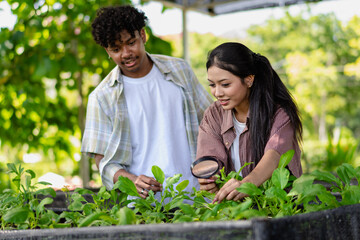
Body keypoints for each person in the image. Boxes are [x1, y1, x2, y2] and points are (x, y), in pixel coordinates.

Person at [81, 5, 213, 200]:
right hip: (144, 206)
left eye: (131, 43)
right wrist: (130, 180)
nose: (125, 53)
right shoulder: (102, 97)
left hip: (196, 197)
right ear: (107, 51)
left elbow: (211, 120)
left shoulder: (179, 70)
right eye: (116, 49)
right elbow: (102, 161)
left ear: (143, 35)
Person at [196, 42, 303, 203]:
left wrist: (245, 184)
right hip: (234, 211)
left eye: (225, 84)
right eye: (212, 84)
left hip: (277, 208)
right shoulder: (213, 114)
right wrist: (209, 179)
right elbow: (209, 157)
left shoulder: (279, 113)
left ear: (249, 80)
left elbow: (274, 155)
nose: (217, 93)